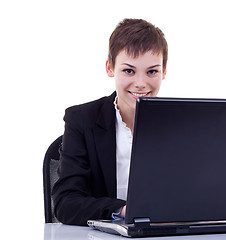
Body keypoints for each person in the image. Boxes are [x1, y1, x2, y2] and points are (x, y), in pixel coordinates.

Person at [52, 18, 168, 226]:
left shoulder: (182, 124)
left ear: (164, 71)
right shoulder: (82, 120)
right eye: (129, 71)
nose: (141, 84)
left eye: (152, 71)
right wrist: (122, 210)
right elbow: (65, 203)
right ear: (110, 68)